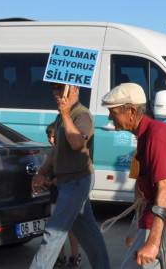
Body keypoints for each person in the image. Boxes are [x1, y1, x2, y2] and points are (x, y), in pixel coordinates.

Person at [103, 83, 166, 269]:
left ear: (131, 111)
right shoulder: (150, 134)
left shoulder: (156, 136)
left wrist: (153, 243)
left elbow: (165, 191)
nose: (109, 117)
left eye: (113, 112)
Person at [30, 84, 110, 269]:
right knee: (88, 233)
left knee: (54, 232)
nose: (57, 94)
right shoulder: (61, 115)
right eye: (55, 89)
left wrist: (66, 115)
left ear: (74, 90)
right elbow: (56, 149)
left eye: (61, 89)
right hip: (68, 182)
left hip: (77, 181)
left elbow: (76, 143)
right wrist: (42, 174)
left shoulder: (80, 114)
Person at [44, 123, 82, 269]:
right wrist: (48, 178)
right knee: (55, 228)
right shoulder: (51, 153)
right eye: (49, 137)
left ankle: (75, 256)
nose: (51, 140)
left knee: (71, 229)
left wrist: (59, 179)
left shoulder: (70, 153)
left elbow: (76, 173)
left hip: (68, 195)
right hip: (55, 195)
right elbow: (49, 171)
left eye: (54, 137)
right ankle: (60, 258)